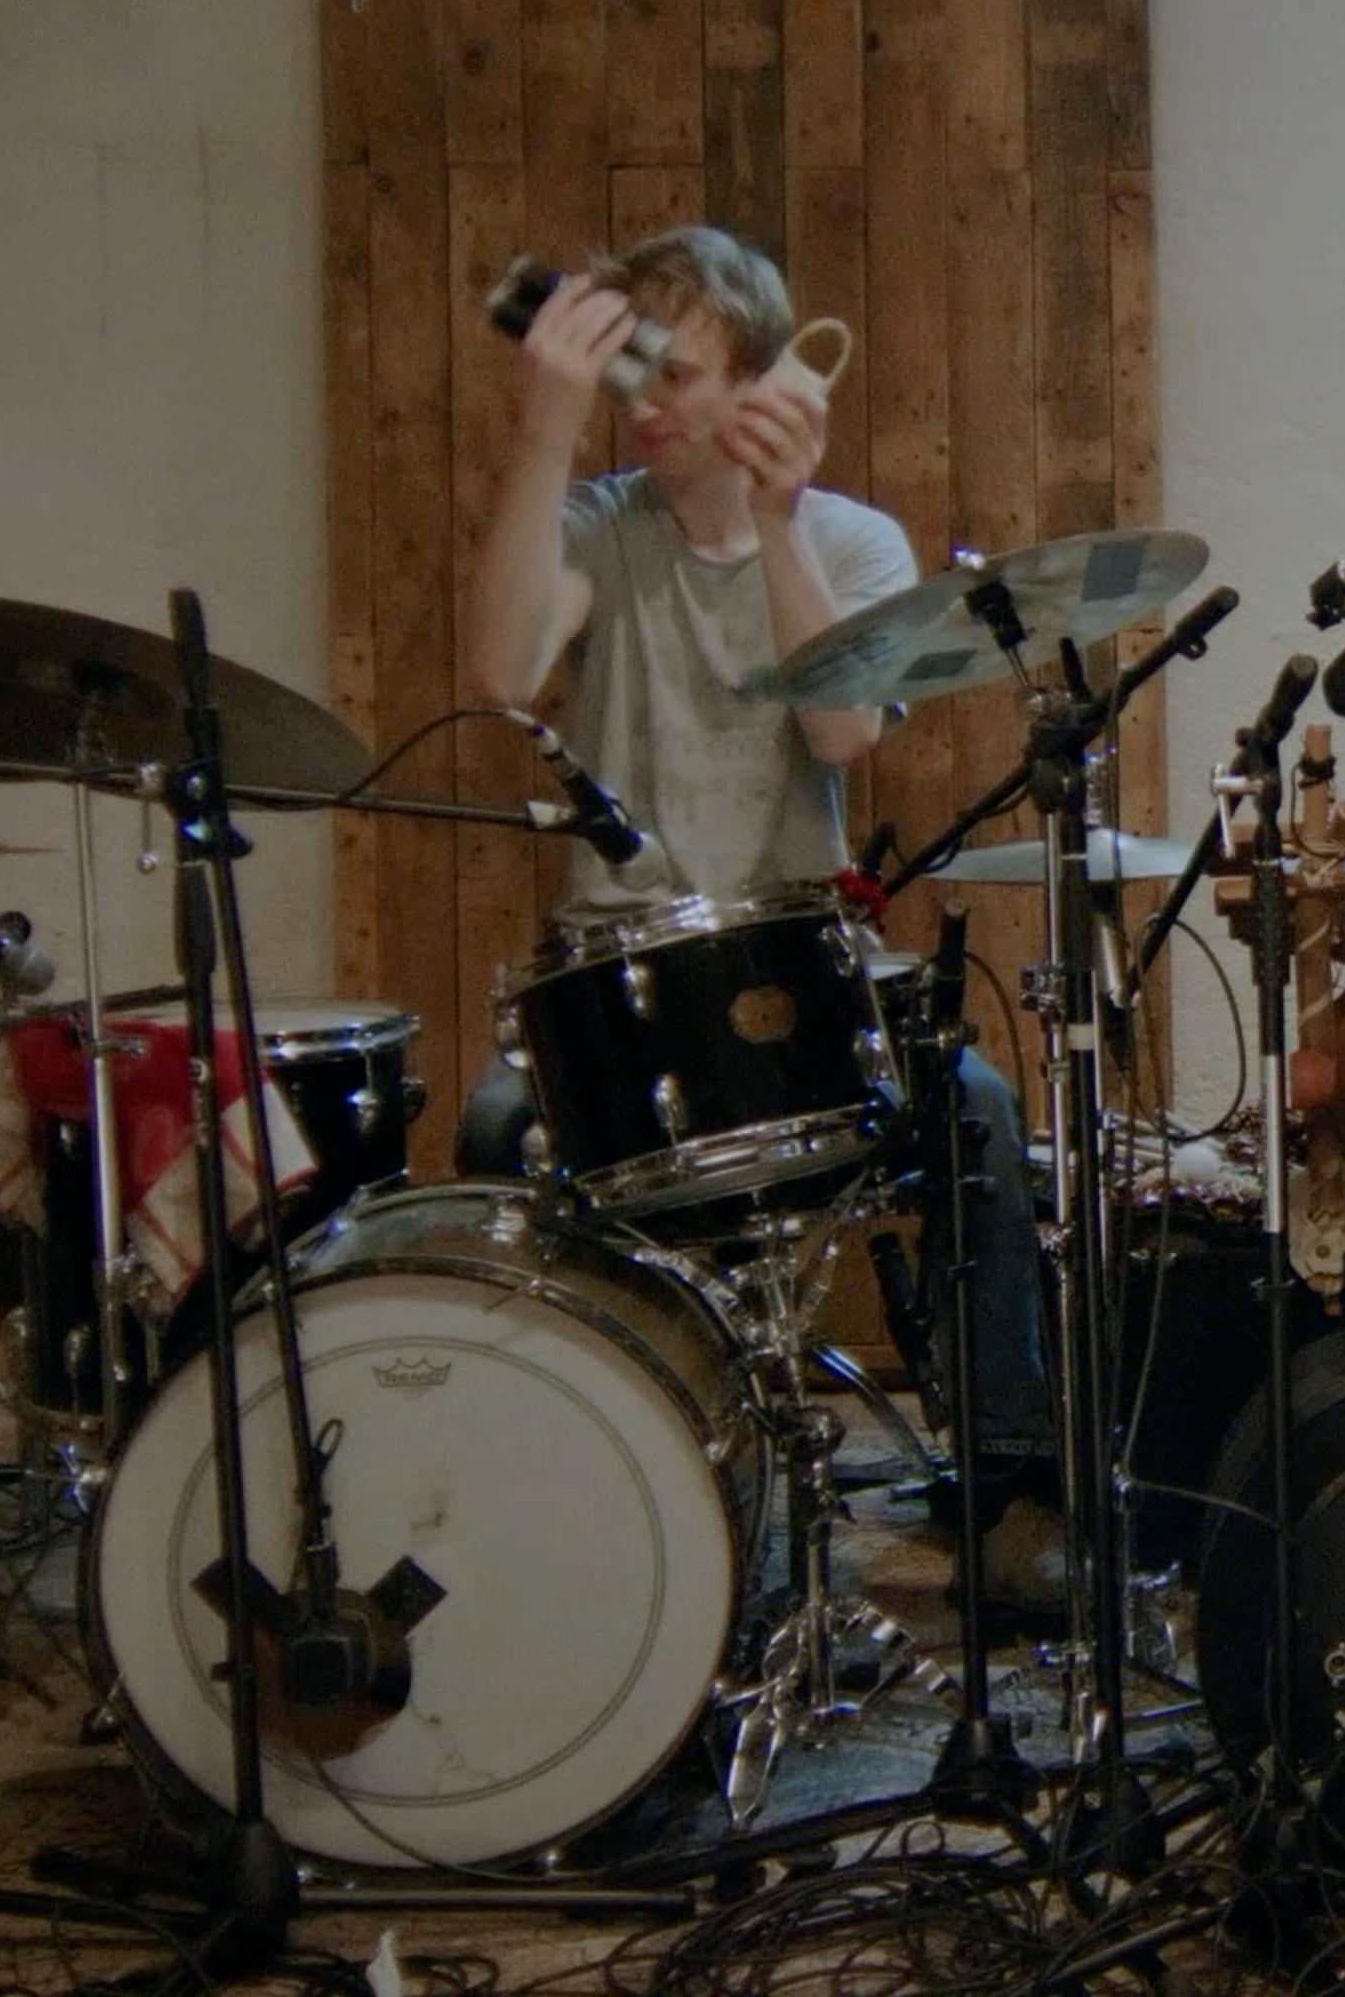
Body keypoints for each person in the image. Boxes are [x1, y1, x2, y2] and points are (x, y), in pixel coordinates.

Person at [455, 225, 1067, 1603]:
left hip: (801, 971)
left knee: (971, 1111)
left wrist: (779, 528)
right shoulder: (603, 526)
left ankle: (1011, 1483)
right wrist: (546, 436)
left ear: (763, 383)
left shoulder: (849, 537)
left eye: (684, 370)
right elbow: (498, 671)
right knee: (499, 1130)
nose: (653, 402)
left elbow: (846, 732)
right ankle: (548, 1478)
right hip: (620, 975)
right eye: (635, 375)